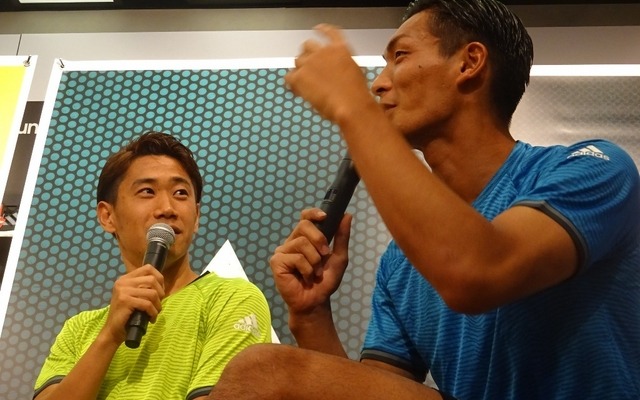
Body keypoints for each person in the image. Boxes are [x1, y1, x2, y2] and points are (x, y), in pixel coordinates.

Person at [208, 1, 640, 399]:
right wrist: (311, 314)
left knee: (263, 369)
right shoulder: (400, 262)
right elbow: (373, 390)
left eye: (399, 56)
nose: (378, 84)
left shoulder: (594, 169)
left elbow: (479, 270)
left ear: (469, 63)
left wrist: (352, 107)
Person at [33, 131, 272, 400]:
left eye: (180, 193)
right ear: (107, 216)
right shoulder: (79, 329)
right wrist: (109, 337)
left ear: (196, 217)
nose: (167, 208)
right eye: (147, 191)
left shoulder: (231, 299)